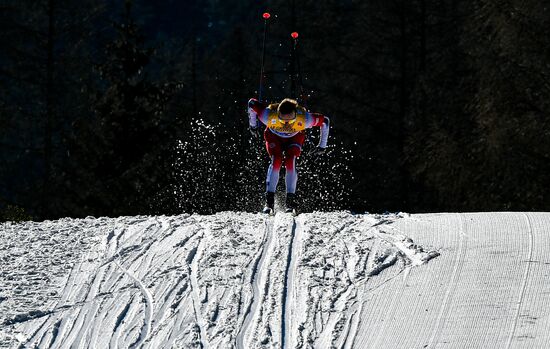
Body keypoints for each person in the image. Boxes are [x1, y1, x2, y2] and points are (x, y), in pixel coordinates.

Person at [247, 97, 330, 214]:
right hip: (274, 137)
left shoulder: (304, 119)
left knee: (290, 161)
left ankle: (290, 203)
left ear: (296, 115)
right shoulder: (268, 116)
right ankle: (269, 203)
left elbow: (325, 121)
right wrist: (253, 125)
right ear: (277, 114)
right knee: (276, 160)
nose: (286, 124)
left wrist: (322, 146)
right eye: (282, 120)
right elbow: (252, 103)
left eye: (291, 121)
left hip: (294, 138)